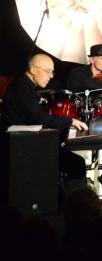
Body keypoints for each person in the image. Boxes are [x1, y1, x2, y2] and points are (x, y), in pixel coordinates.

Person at [1, 54, 88, 190]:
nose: (51, 76)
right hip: (21, 148)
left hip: (27, 143)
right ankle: (79, 206)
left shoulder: (25, 86)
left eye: (52, 72)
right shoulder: (21, 88)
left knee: (72, 160)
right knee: (76, 163)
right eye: (48, 71)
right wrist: (71, 121)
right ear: (34, 70)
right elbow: (39, 118)